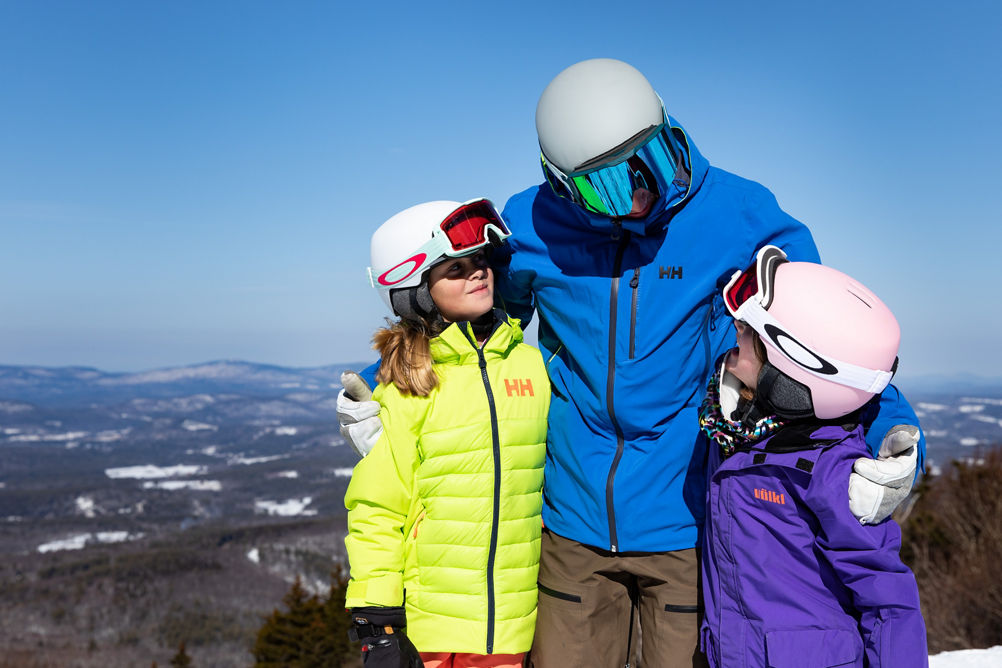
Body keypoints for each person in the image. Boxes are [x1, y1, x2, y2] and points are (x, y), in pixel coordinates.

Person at [338, 58, 924, 667]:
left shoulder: (740, 214)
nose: (643, 193)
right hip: (573, 518)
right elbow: (472, 332)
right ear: (563, 184)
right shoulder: (535, 224)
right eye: (612, 186)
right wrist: (391, 387)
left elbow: (823, 336)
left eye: (655, 161)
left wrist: (892, 434)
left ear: (670, 128)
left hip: (686, 514)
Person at [344, 199, 551, 668]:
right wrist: (377, 621)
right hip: (431, 629)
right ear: (415, 290)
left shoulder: (529, 365)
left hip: (513, 628)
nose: (477, 273)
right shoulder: (409, 381)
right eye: (455, 268)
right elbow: (378, 506)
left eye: (481, 260)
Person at [698, 245, 926, 666]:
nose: (735, 331)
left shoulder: (833, 471)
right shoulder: (733, 433)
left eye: (749, 331)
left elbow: (888, 600)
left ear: (792, 370)